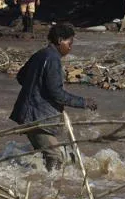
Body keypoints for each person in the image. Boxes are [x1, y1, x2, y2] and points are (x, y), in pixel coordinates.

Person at [10, 22, 97, 170]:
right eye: (69, 43)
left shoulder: (40, 54)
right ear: (59, 40)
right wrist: (84, 102)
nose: (70, 47)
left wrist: (35, 88)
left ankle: (38, 181)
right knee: (55, 157)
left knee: (48, 154)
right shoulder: (52, 59)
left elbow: (21, 77)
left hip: (28, 114)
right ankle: (52, 188)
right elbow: (56, 93)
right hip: (37, 119)